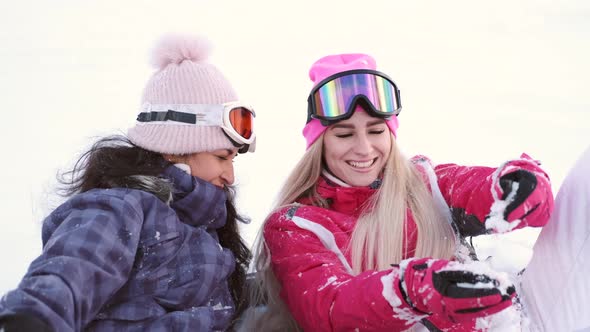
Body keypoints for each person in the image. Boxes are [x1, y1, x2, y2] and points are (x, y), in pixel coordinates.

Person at [243, 53, 554, 331]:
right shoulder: (295, 226)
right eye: (344, 134)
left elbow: (474, 188)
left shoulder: (425, 184)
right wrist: (409, 291)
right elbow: (330, 308)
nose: (364, 149)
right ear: (319, 144)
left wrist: (522, 187)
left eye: (377, 131)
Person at [0, 34, 255, 331]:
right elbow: (78, 263)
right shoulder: (122, 207)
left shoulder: (205, 228)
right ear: (175, 148)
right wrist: (37, 316)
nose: (230, 175)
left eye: (233, 160)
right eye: (222, 157)